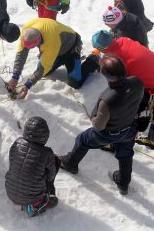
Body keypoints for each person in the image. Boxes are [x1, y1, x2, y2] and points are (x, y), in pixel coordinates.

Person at [59, 56, 144, 195]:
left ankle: (70, 163)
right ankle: (123, 182)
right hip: (129, 128)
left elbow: (98, 126)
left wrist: (94, 116)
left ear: (107, 76)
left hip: (109, 133)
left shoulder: (108, 99)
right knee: (125, 153)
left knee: (83, 139)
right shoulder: (137, 82)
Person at [92, 31, 154, 149]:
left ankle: (116, 141)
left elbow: (121, 85)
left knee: (128, 110)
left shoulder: (117, 60)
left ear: (101, 48)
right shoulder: (123, 40)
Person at [7, 18, 99, 99]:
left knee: (75, 83)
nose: (29, 49)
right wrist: (15, 76)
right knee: (45, 73)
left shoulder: (51, 42)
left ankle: (92, 59)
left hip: (70, 49)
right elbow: (21, 54)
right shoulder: (26, 31)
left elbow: (42, 68)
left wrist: (28, 85)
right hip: (56, 50)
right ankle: (59, 61)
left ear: (38, 41)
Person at [5, 117, 59, 217]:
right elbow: (51, 176)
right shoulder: (47, 153)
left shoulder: (17, 142)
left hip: (10, 191)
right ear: (45, 135)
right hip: (31, 197)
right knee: (56, 161)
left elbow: (12, 162)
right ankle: (36, 206)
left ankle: (18, 203)